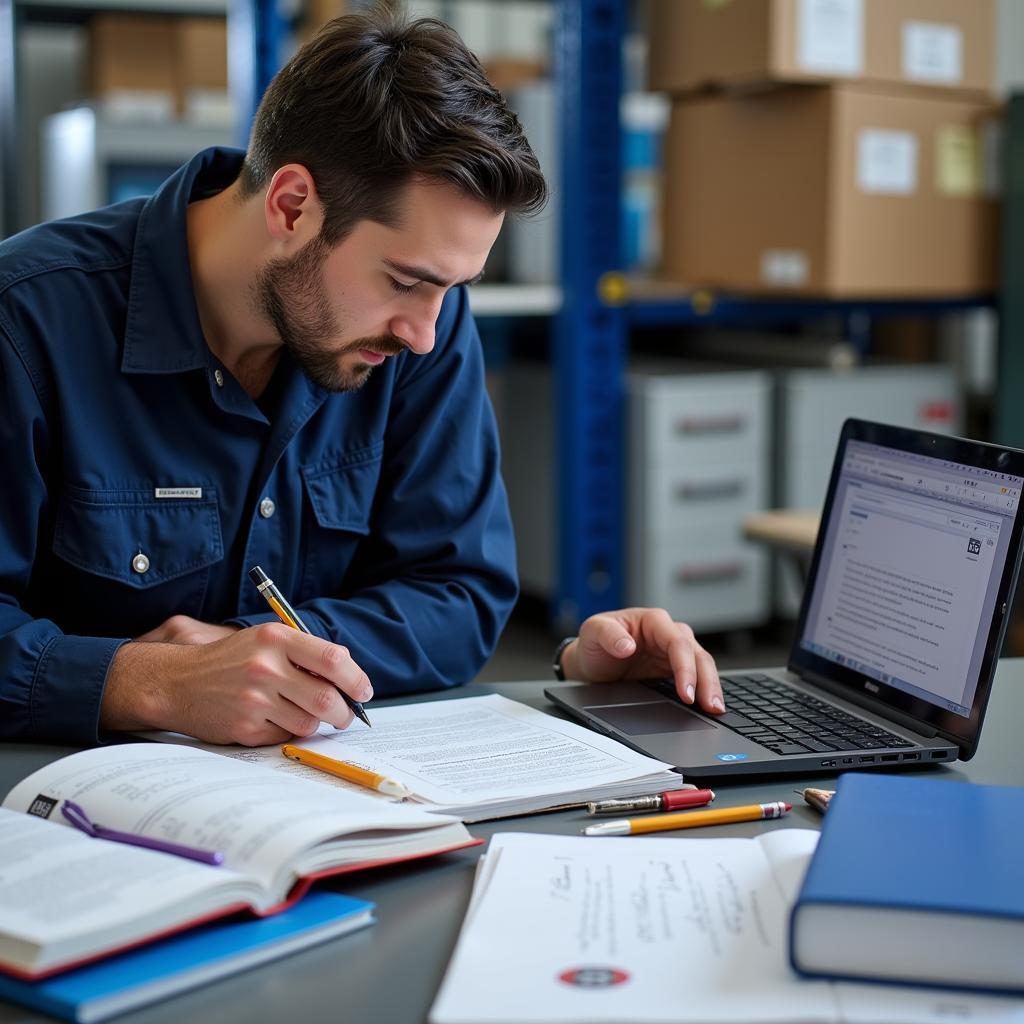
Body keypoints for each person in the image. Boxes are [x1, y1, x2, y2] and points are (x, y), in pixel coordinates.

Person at [0, 6, 721, 746]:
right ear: (292, 206)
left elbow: (461, 594)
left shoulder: (418, 330)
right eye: (405, 281)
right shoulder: (26, 322)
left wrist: (257, 652)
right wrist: (145, 682)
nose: (427, 333)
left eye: (454, 287)